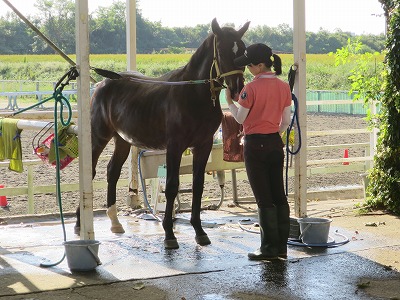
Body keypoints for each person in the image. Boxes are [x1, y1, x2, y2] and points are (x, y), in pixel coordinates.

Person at [226, 43, 292, 260]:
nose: (247, 69)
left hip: (255, 145)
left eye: (249, 65)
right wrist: (274, 133)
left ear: (260, 65)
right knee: (278, 195)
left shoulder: (250, 89)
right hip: (275, 143)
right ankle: (281, 247)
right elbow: (286, 121)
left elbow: (240, 118)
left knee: (264, 199)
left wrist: (229, 101)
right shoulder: (283, 87)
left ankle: (268, 249)